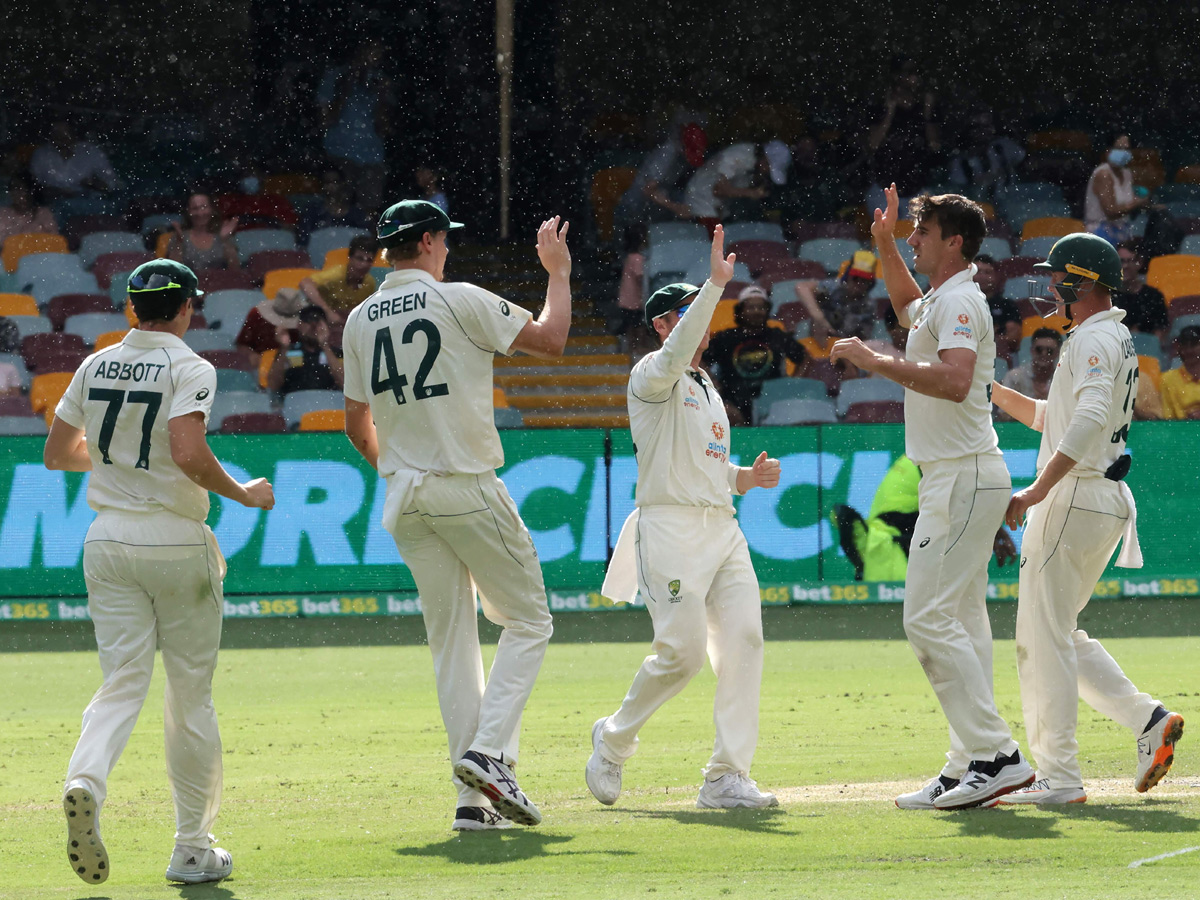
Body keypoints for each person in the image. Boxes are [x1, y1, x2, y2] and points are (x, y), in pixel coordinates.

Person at [341, 200, 572, 831]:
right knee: (529, 622)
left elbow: (355, 422)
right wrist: (557, 273)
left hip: (404, 497)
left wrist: (399, 469)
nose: (449, 249)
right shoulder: (459, 298)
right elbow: (552, 342)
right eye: (446, 240)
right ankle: (489, 756)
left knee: (451, 645)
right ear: (431, 241)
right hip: (464, 486)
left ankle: (473, 802)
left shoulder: (360, 319)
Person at [43, 260, 274, 885]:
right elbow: (189, 455)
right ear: (186, 309)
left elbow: (58, 453)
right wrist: (245, 494)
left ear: (130, 310)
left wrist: (120, 458)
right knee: (189, 696)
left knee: (121, 682)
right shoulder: (189, 366)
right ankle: (192, 848)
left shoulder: (95, 364)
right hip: (174, 540)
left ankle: (85, 779)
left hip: (107, 538)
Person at [830, 185, 1034, 810]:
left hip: (962, 475)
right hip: (956, 475)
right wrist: (885, 244)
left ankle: (997, 756)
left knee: (924, 618)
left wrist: (875, 360)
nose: (915, 239)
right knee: (963, 624)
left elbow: (954, 380)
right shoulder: (943, 298)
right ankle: (966, 762)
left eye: (922, 233)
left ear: (955, 242)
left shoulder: (964, 301)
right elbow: (903, 305)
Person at [586, 226, 782, 811]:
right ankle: (614, 740)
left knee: (745, 639)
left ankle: (726, 776)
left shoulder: (705, 386)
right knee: (683, 655)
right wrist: (716, 285)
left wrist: (747, 477)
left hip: (722, 528)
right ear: (665, 324)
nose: (702, 323)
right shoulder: (650, 375)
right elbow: (677, 352)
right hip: (668, 528)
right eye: (689, 312)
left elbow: (712, 467)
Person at [991, 233, 1183, 805]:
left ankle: (1058, 779)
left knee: (1039, 640)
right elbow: (1057, 417)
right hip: (1098, 497)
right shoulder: (1109, 336)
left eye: (1061, 279)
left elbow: (1089, 420)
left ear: (1085, 282)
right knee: (1059, 633)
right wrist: (991, 392)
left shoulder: (1094, 338)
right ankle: (1148, 720)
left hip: (1074, 495)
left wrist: (1033, 491)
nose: (1053, 287)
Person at [832, 455, 1017, 582]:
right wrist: (992, 532)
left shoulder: (927, 451)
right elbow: (954, 502)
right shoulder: (934, 455)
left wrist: (992, 531)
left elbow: (956, 500)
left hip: (900, 524)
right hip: (901, 526)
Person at [703, 284, 809, 424]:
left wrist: (792, 384)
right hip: (734, 401)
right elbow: (700, 360)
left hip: (773, 401)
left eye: (761, 308)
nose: (756, 312)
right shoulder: (726, 338)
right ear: (740, 311)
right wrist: (714, 388)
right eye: (751, 307)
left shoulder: (777, 336)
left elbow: (805, 358)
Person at [317, 39, 394, 216]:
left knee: (369, 210)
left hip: (372, 156)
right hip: (339, 153)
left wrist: (382, 96)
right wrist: (345, 88)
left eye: (379, 54)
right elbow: (325, 121)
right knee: (337, 205)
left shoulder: (380, 80)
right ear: (359, 51)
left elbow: (384, 128)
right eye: (372, 52)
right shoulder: (334, 76)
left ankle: (366, 242)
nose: (374, 58)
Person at [614, 116, 706, 230]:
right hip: (636, 208)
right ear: (683, 145)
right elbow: (647, 189)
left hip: (657, 203)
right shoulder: (666, 156)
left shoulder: (681, 156)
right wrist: (675, 207)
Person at [683, 142, 776, 222]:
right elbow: (719, 190)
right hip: (700, 200)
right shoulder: (737, 155)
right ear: (765, 158)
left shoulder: (756, 167)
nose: (767, 171)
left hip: (720, 208)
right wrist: (752, 193)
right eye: (769, 167)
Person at [299, 234, 379, 324]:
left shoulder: (370, 283)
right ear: (350, 258)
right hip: (321, 321)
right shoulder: (336, 275)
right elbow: (305, 284)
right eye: (359, 259)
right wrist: (327, 311)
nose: (364, 265)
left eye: (369, 260)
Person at [1084, 135, 1149, 246]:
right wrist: (1138, 203)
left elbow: (1131, 201)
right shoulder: (1103, 174)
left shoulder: (1127, 173)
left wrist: (1147, 204)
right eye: (1119, 148)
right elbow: (1111, 211)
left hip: (1123, 230)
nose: (1123, 152)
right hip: (1100, 233)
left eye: (1127, 149)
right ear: (1108, 151)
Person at [29, 122, 121, 198]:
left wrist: (94, 183)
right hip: (51, 203)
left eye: (65, 135)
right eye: (57, 135)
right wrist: (51, 191)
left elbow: (112, 182)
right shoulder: (41, 154)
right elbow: (33, 184)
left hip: (84, 202)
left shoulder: (90, 151)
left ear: (74, 135)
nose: (61, 139)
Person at [267, 305, 343, 396]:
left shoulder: (336, 353)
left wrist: (325, 345)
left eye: (317, 320)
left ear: (326, 326)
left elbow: (344, 383)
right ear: (299, 325)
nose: (313, 326)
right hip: (295, 406)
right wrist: (284, 348)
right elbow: (273, 385)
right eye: (308, 320)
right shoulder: (288, 352)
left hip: (328, 407)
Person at [996, 328, 1062, 421]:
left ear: (1058, 353)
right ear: (1032, 350)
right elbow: (1003, 415)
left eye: (1049, 351)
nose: (1044, 354)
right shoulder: (1014, 376)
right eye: (1039, 349)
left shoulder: (1064, 379)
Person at [235, 286, 305, 370]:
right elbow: (242, 344)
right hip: (263, 367)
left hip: (299, 369)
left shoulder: (308, 321)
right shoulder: (256, 315)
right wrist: (251, 354)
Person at [166, 194, 240, 273]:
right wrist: (179, 242)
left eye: (204, 207)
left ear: (212, 209)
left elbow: (236, 270)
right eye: (195, 208)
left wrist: (225, 240)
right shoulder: (179, 236)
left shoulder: (223, 234)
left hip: (220, 283)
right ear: (188, 212)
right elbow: (172, 272)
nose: (200, 213)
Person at [295, 169, 371, 245]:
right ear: (322, 186)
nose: (331, 185)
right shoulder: (312, 212)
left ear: (342, 184)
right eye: (327, 182)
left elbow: (365, 245)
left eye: (335, 182)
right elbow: (303, 243)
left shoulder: (357, 214)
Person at [1113, 240, 1169, 344]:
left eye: (1130, 261)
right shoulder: (1106, 296)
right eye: (1121, 261)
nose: (1125, 266)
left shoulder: (1154, 297)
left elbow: (1159, 337)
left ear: (1140, 263)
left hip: (1146, 353)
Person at [973, 254, 1022, 362]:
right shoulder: (961, 303)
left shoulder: (1008, 305)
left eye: (987, 272)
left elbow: (1013, 340)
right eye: (978, 271)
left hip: (997, 360)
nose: (982, 276)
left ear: (996, 276)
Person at [0, 175, 59, 247]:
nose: (15, 192)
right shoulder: (3, 213)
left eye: (19, 188)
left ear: (30, 191)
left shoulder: (44, 213)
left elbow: (54, 241)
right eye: (13, 189)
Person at [1161, 325, 1200, 419]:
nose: (1189, 350)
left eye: (1194, 344)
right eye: (1185, 345)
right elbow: (1168, 418)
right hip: (1182, 431)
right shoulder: (1168, 379)